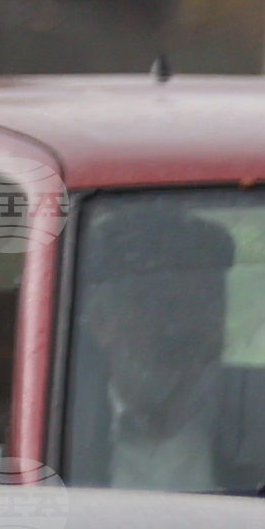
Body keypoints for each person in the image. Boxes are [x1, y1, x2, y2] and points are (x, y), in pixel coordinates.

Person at [76, 205, 239, 490]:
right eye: (160, 303)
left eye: (204, 300)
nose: (184, 324)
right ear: (101, 320)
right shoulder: (53, 430)